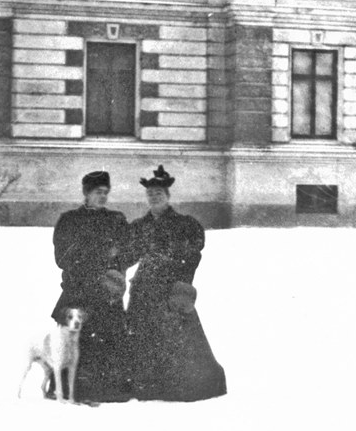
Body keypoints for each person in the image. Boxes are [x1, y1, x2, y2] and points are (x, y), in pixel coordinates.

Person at [127, 165, 227, 401]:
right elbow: (127, 253)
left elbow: (192, 255)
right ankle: (147, 384)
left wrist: (182, 285)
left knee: (178, 337)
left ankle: (180, 385)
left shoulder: (184, 224)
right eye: (150, 195)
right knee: (143, 335)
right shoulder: (141, 226)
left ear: (168, 197)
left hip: (170, 289)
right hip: (143, 288)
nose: (154, 198)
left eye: (159, 195)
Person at [50, 170, 133, 402]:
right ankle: (73, 389)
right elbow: (62, 257)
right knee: (77, 341)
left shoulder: (116, 219)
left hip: (107, 292)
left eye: (106, 192)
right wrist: (95, 261)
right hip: (79, 291)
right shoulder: (69, 221)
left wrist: (114, 269)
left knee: (109, 339)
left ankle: (108, 389)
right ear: (86, 193)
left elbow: (126, 252)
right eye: (98, 192)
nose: (103, 196)